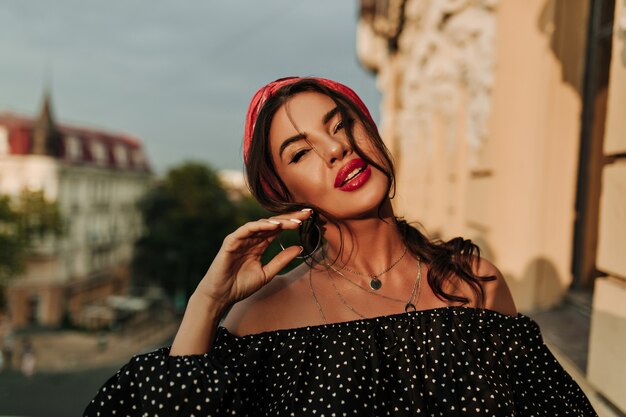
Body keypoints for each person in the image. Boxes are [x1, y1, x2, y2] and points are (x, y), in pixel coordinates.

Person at [84, 77, 597, 416]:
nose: (337, 149)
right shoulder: (263, 314)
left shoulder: (473, 282)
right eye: (301, 152)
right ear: (281, 191)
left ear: (370, 133)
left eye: (341, 125)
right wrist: (206, 304)